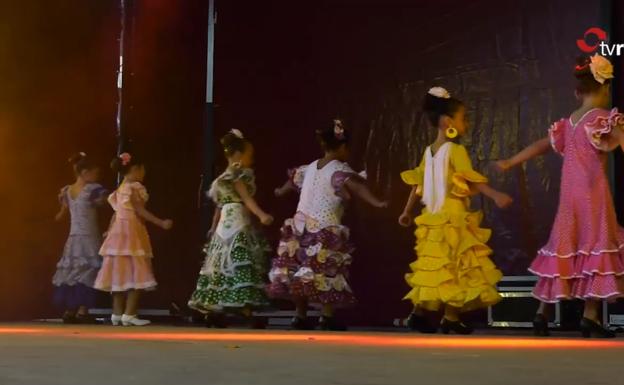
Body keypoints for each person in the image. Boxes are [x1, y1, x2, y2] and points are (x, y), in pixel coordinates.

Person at [495, 55, 624, 338]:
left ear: (577, 92)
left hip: (569, 199)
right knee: (596, 248)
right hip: (593, 194)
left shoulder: (569, 122)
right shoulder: (603, 118)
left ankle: (541, 313)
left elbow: (542, 145)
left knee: (562, 248)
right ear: (605, 89)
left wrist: (511, 161)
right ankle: (590, 316)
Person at [399, 87, 512, 334]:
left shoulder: (428, 152)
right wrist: (495, 195)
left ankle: (420, 313)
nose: (467, 123)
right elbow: (471, 180)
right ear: (448, 122)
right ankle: (449, 316)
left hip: (431, 220)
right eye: (464, 118)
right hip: (452, 217)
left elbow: (418, 185)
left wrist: (408, 211)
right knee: (453, 267)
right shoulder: (455, 150)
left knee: (434, 267)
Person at [268, 119, 387, 331]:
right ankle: (326, 315)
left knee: (300, 272)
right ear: (342, 147)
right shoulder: (338, 170)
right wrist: (377, 202)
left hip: (299, 227)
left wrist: (280, 190)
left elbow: (292, 180)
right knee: (326, 271)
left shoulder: (310, 167)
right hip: (324, 228)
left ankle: (300, 315)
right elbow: (357, 188)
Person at [188, 129, 273, 328]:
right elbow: (245, 198)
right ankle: (244, 308)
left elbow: (219, 207)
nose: (251, 159)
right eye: (249, 155)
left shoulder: (222, 178)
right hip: (236, 222)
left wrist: (212, 228)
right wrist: (262, 215)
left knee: (221, 264)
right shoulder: (236, 176)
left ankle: (216, 307)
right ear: (237, 155)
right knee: (238, 261)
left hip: (223, 226)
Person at [94, 152, 173, 326]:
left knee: (119, 273)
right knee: (137, 271)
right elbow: (140, 211)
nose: (144, 172)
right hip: (131, 231)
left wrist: (109, 230)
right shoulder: (134, 187)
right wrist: (161, 222)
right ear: (136, 169)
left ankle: (117, 313)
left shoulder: (120, 189)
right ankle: (129, 313)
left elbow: (116, 214)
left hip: (118, 232)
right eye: (143, 169)